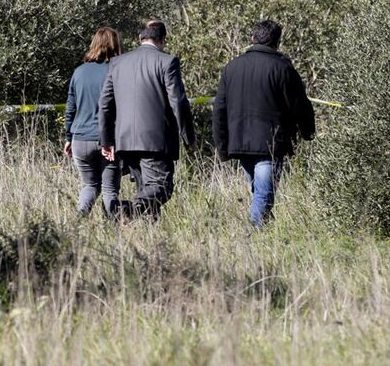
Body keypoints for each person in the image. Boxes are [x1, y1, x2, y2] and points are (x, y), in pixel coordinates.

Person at [212, 19, 315, 228]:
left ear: (252, 39)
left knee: (259, 191)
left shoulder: (232, 67)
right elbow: (300, 105)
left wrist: (222, 146)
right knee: (263, 192)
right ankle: (254, 237)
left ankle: (263, 232)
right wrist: (308, 132)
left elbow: (219, 109)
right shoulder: (283, 68)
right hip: (270, 143)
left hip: (239, 142)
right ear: (278, 42)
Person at [98, 20, 196, 218]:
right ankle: (123, 209)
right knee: (161, 187)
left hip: (124, 140)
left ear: (139, 38)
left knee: (146, 191)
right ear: (163, 40)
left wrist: (107, 140)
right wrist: (189, 137)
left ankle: (150, 238)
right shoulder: (167, 61)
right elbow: (178, 102)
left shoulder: (118, 63)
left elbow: (104, 103)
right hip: (155, 140)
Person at [63, 27, 124, 217]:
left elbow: (70, 108)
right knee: (109, 190)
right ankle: (113, 230)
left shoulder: (79, 72)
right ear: (116, 46)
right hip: (108, 140)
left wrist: (68, 137)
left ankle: (79, 217)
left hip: (80, 138)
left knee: (89, 185)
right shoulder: (117, 71)